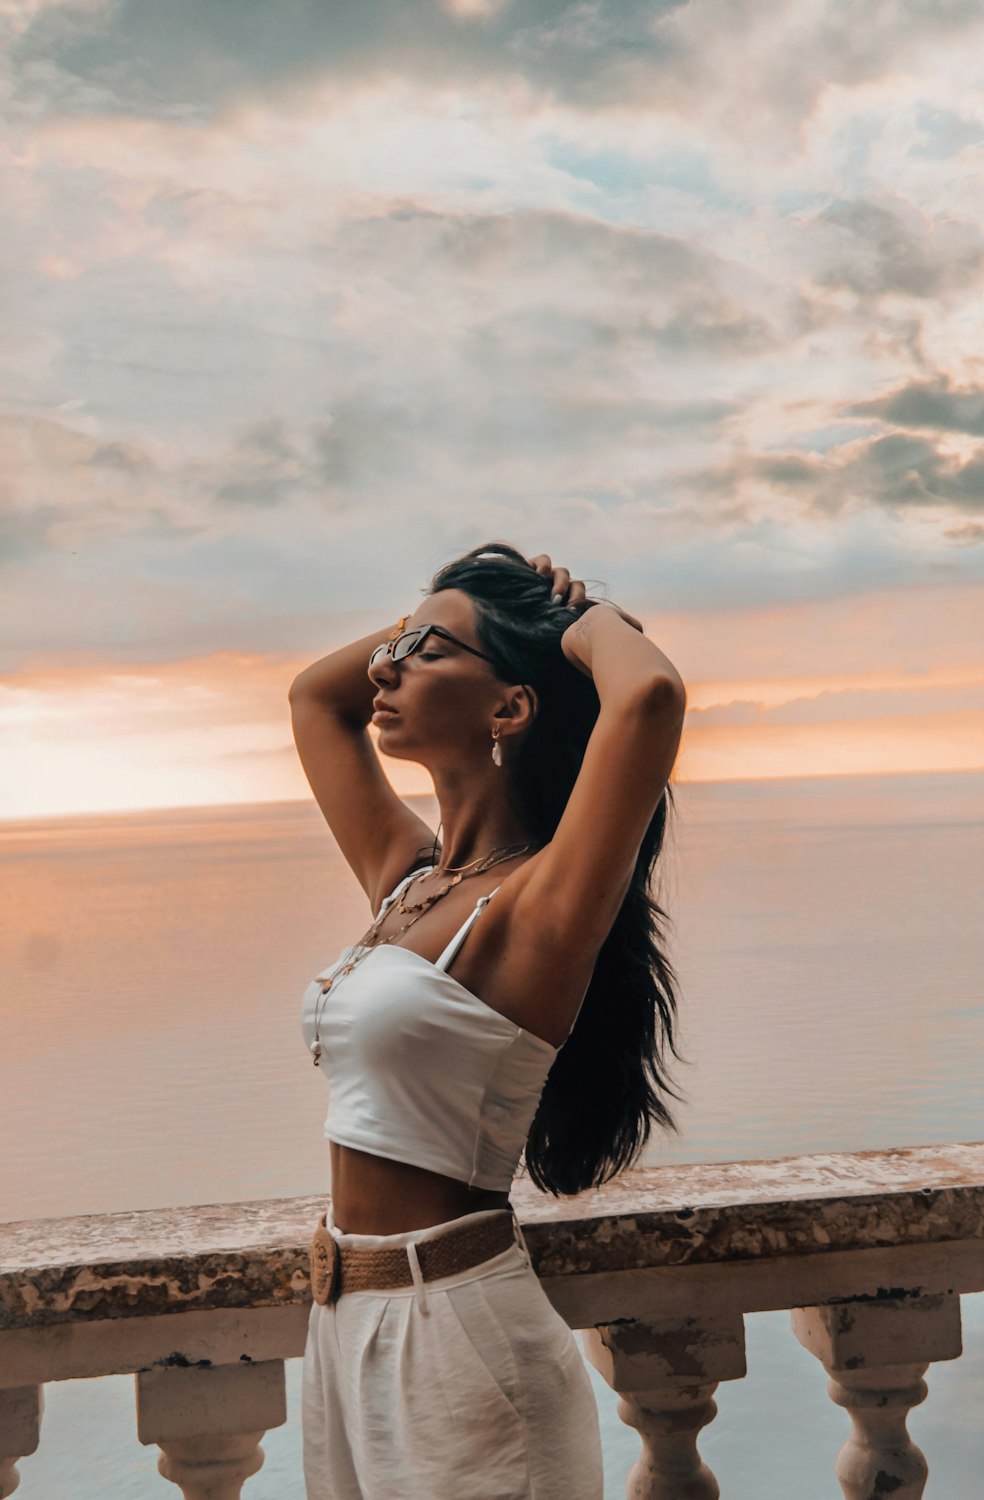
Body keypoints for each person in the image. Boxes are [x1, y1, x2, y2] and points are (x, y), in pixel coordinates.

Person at [290, 542, 686, 1500]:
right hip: (343, 1321)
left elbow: (648, 700)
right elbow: (314, 696)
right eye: (398, 643)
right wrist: (443, 613)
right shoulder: (414, 881)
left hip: (458, 1336)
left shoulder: (537, 906)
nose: (386, 665)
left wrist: (581, 619)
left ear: (511, 707)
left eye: (427, 651)